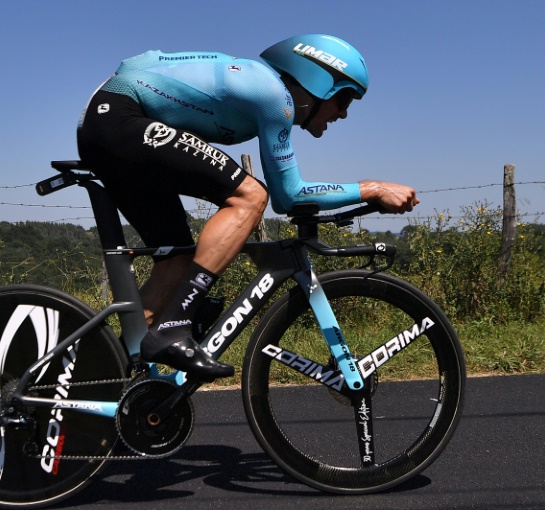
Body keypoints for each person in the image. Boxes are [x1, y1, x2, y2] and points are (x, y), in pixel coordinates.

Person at [77, 34, 419, 381]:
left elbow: (135, 64)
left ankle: (100, 380)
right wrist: (372, 189)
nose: (344, 113)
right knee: (251, 195)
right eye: (344, 98)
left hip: (111, 121)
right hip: (120, 118)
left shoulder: (251, 79)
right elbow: (289, 196)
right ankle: (175, 328)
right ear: (319, 81)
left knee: (176, 262)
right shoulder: (274, 96)